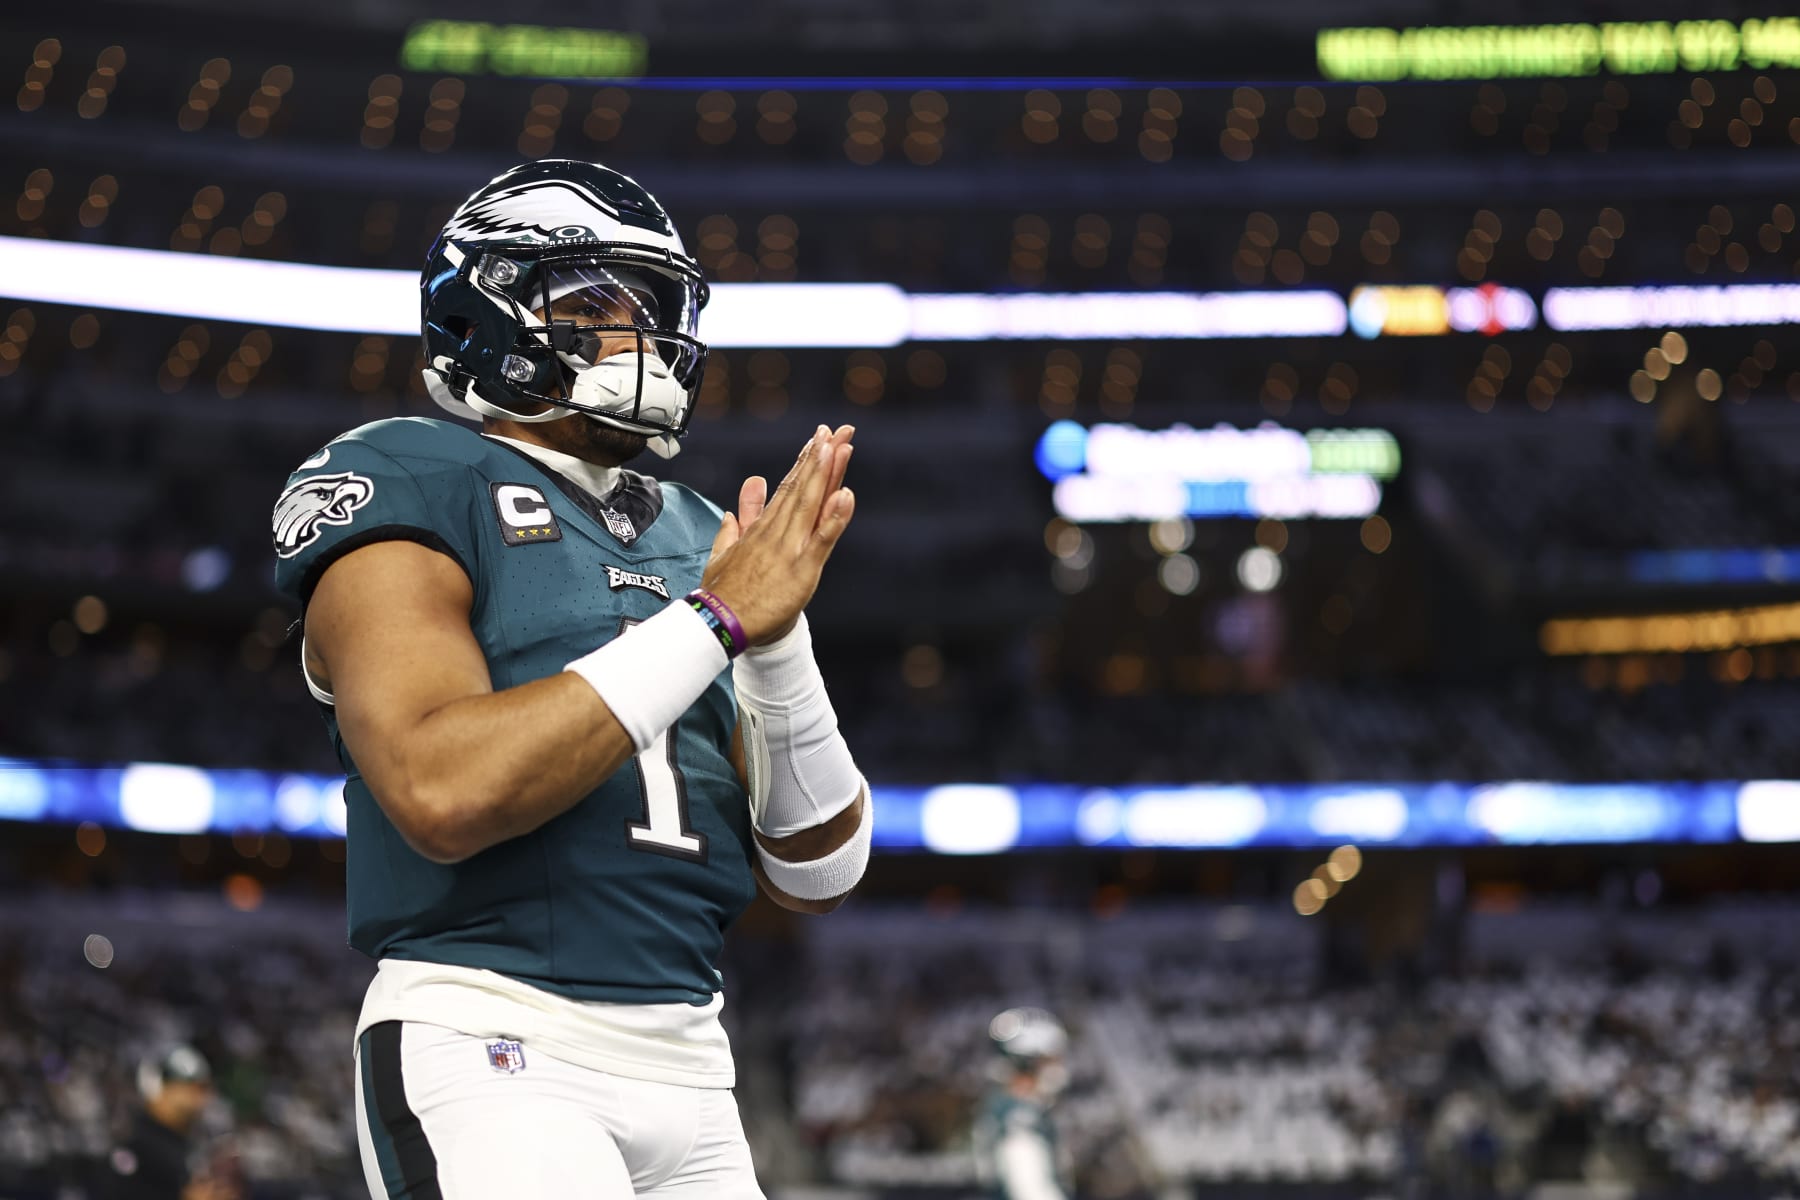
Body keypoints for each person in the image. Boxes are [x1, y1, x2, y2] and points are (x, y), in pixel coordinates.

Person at [270, 159, 870, 1198]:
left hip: (694, 1059)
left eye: (651, 308)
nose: (636, 337)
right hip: (497, 1039)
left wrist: (774, 636)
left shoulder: (697, 531)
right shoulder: (410, 476)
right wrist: (716, 616)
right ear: (483, 316)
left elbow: (820, 872)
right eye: (594, 303)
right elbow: (442, 791)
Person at [99, 1045, 231, 1200]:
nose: (203, 1097)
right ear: (160, 1085)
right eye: (194, 1087)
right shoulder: (135, 1143)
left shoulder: (189, 1145)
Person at [972, 1008, 1071, 1200]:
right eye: (1049, 1060)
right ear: (1028, 1063)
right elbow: (1032, 1191)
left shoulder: (1013, 1108)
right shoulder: (1021, 1118)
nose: (1058, 1069)